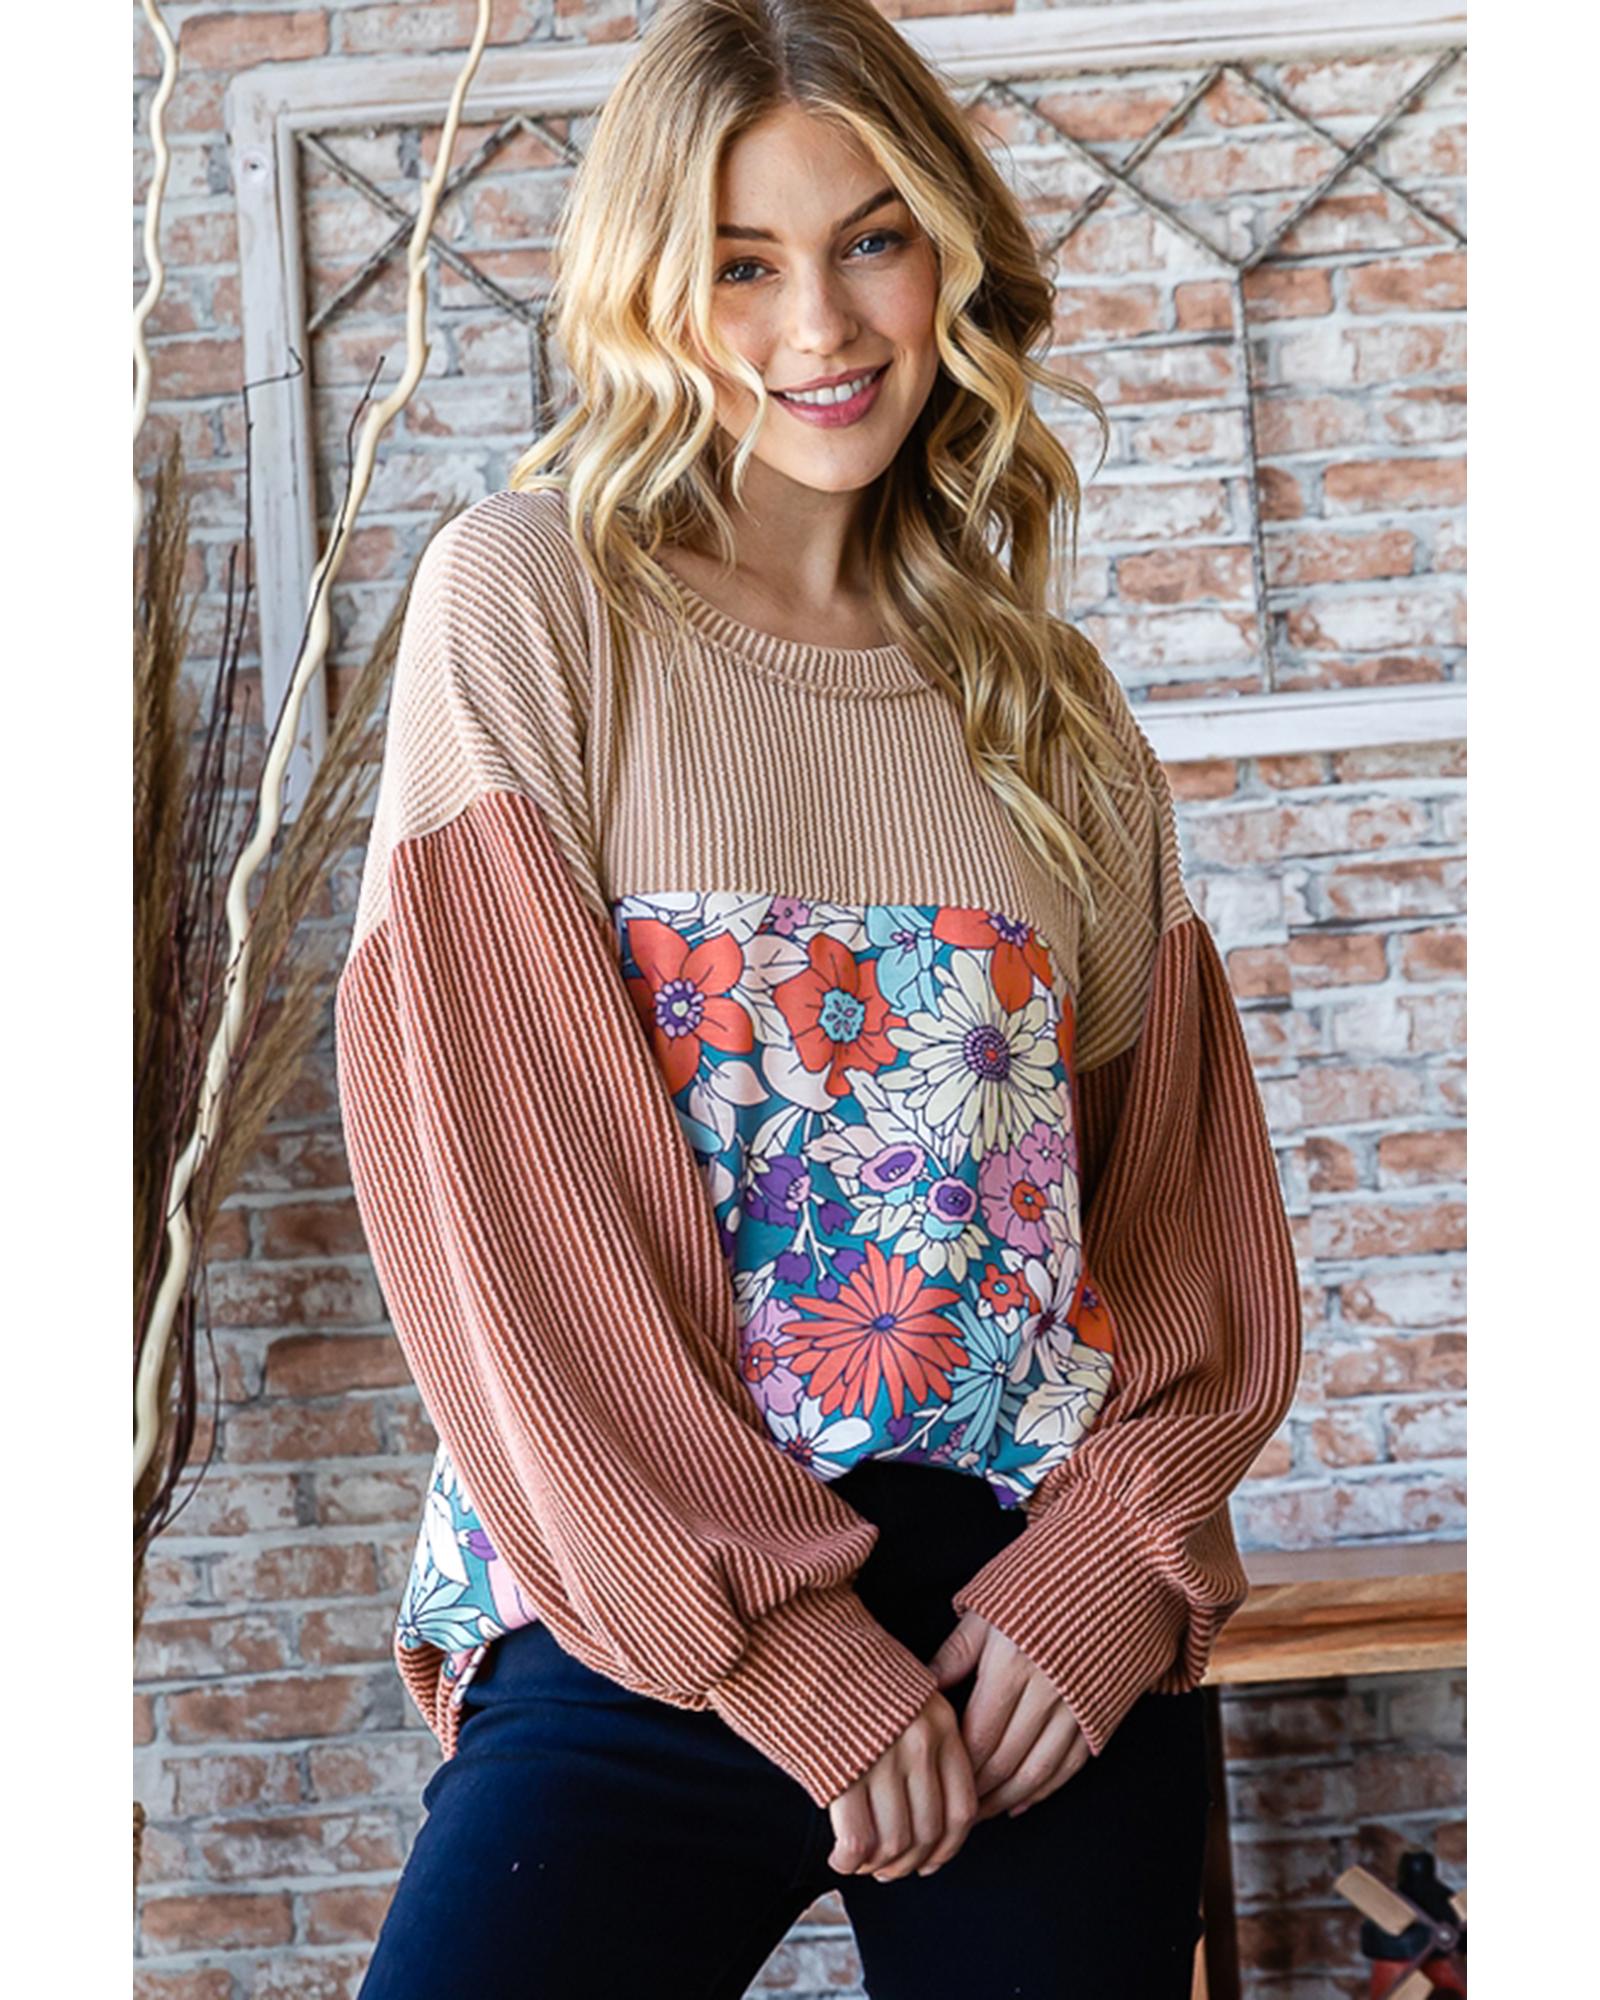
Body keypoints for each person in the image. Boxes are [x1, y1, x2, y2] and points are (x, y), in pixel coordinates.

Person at [333, 2, 1302, 1993]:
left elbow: (1174, 1226)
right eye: (740, 264)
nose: (821, 326)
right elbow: (502, 1195)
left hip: (1025, 1624)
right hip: (655, 1601)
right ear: (645, 291)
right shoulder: (529, 603)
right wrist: (778, 1648)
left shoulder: (1051, 711)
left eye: (871, 239)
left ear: (950, 254)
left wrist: (1109, 1570)